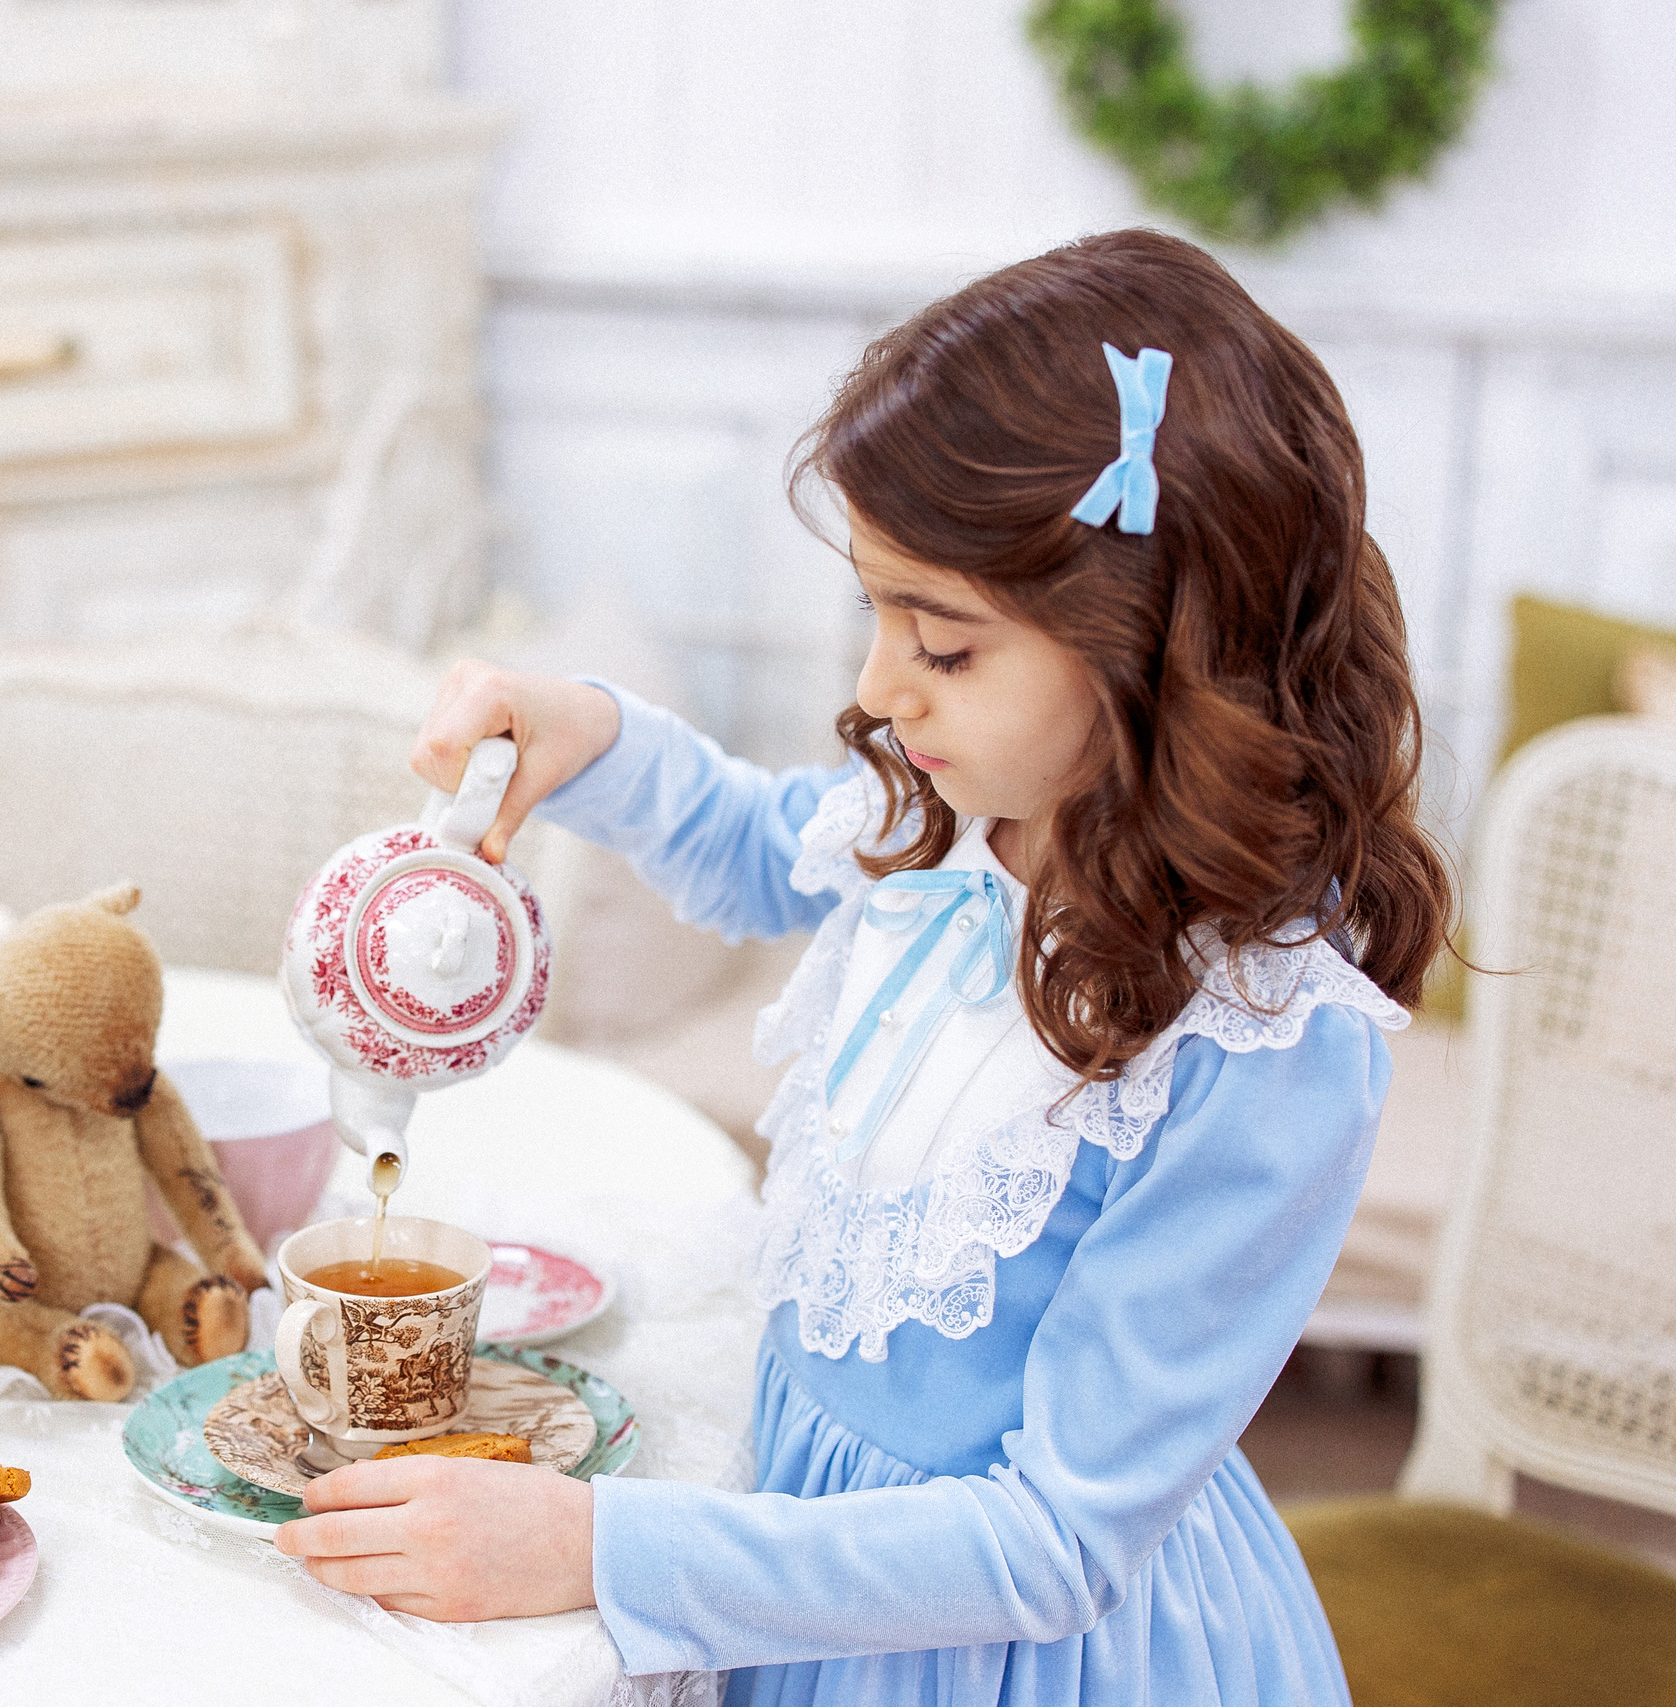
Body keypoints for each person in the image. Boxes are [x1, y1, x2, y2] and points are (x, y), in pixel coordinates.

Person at [273, 228, 1454, 1705]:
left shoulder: (1262, 1045)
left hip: (1014, 1654)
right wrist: (588, 730)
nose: (876, 691)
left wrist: (600, 1553)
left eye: (942, 644)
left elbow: (1053, 1544)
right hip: (807, 1576)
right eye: (873, 612)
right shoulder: (963, 822)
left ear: (1157, 647)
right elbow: (766, 844)